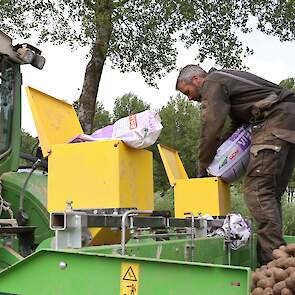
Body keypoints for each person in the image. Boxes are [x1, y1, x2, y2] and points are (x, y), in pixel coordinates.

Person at [176, 64, 295, 265]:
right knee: (270, 193)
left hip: (275, 120)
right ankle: (275, 255)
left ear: (197, 79)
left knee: (257, 190)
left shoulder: (212, 84)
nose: (189, 98)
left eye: (187, 92)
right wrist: (220, 154)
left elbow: (211, 128)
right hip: (288, 121)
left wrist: (203, 165)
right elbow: (236, 128)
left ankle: (274, 262)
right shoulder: (227, 81)